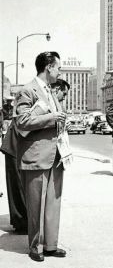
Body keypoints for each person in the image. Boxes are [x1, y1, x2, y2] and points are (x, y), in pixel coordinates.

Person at [13, 51, 67, 262]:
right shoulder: (28, 90)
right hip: (36, 155)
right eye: (58, 67)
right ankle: (35, 246)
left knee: (53, 201)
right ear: (48, 67)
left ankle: (51, 244)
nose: (59, 71)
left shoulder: (52, 91)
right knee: (36, 203)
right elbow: (22, 122)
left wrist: (62, 120)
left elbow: (56, 116)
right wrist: (51, 117)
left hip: (55, 155)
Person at [0, 120, 28, 233]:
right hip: (16, 144)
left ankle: (22, 222)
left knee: (19, 185)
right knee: (18, 185)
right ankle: (22, 223)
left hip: (17, 143)